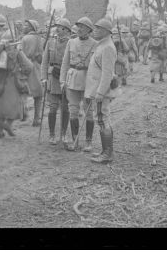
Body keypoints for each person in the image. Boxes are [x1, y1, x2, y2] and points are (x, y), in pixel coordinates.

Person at [60, 17, 97, 152]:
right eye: (78, 26)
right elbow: (65, 63)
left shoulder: (95, 44)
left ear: (89, 29)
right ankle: (75, 140)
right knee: (73, 110)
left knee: (89, 112)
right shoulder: (71, 42)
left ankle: (88, 142)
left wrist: (96, 84)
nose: (80, 29)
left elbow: (98, 66)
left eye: (83, 27)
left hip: (88, 80)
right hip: (72, 79)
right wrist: (62, 81)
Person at [0, 30, 33, 138]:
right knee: (14, 106)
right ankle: (7, 125)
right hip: (12, 82)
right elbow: (28, 66)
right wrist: (22, 74)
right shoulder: (17, 51)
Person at [84, 18, 117, 164]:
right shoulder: (102, 45)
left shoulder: (107, 47)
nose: (94, 31)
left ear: (105, 31)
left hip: (100, 91)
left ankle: (107, 154)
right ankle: (105, 151)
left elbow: (107, 73)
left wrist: (100, 92)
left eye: (97, 29)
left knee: (103, 119)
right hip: (96, 89)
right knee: (101, 119)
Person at [40, 18, 71, 145]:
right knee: (52, 108)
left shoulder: (71, 43)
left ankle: (63, 134)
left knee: (65, 108)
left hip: (65, 78)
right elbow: (44, 62)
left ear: (67, 30)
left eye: (60, 27)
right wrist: (43, 77)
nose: (57, 29)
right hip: (52, 77)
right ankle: (52, 134)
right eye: (57, 26)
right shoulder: (50, 42)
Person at [21, 19, 44, 126]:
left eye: (26, 25)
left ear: (31, 27)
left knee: (23, 91)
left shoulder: (25, 38)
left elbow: (20, 54)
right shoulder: (41, 39)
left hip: (25, 66)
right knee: (38, 95)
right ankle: (37, 118)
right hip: (37, 67)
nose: (24, 27)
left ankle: (24, 112)